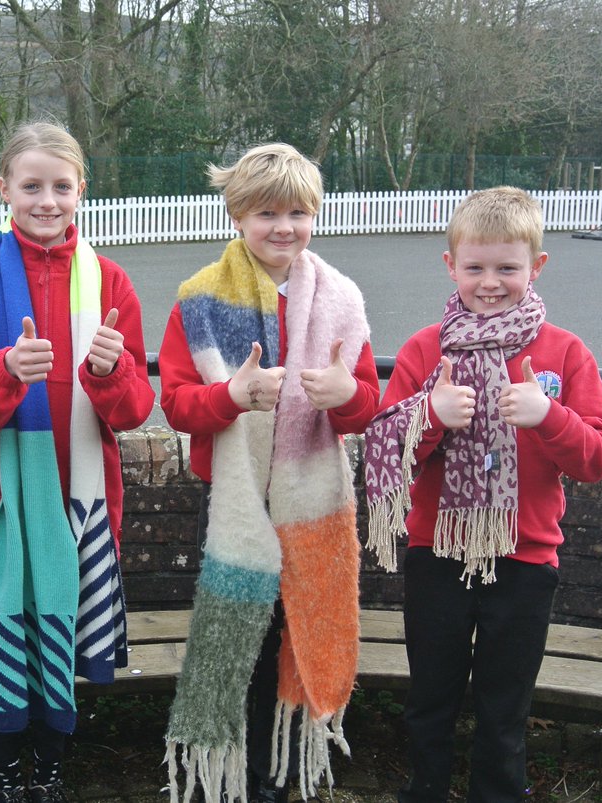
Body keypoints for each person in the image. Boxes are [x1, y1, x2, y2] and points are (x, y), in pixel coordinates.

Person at [362, 186, 602, 802]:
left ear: (537, 265)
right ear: (450, 266)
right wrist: (430, 413)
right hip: (436, 555)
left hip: (526, 558)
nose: (491, 282)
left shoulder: (564, 351)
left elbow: (597, 459)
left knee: (505, 710)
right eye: (475, 267)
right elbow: (382, 451)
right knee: (431, 699)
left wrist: (548, 415)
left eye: (507, 267)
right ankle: (425, 791)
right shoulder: (427, 349)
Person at [0, 120, 155, 803]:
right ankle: (4, 772)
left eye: (62, 186)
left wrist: (110, 373)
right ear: (4, 188)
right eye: (31, 185)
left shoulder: (110, 280)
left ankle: (51, 771)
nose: (47, 200)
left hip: (79, 507)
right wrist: (6, 369)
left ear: (81, 189)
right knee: (5, 648)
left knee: (57, 650)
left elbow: (135, 407)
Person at [160, 143, 380, 803]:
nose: (283, 226)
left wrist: (346, 395)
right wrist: (232, 396)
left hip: (309, 506)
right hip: (233, 504)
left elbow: (364, 407)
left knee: (293, 636)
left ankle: (271, 779)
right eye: (266, 213)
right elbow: (175, 406)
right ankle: (222, 780)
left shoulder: (341, 298)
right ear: (237, 217)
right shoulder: (198, 299)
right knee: (242, 645)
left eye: (297, 212)